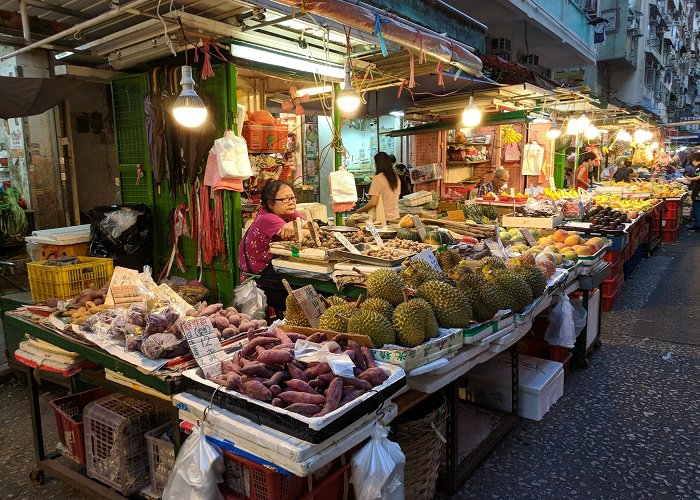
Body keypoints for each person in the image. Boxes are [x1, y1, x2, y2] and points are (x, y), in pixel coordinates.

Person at [238, 180, 309, 319]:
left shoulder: (290, 214)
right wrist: (300, 227)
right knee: (303, 295)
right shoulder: (267, 218)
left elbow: (311, 226)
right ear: (270, 204)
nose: (291, 202)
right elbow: (307, 232)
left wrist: (298, 224)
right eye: (285, 199)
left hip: (273, 269)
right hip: (261, 278)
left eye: (293, 197)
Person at [354, 152, 401, 220]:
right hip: (395, 217)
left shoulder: (377, 178)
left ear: (378, 164)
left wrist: (359, 210)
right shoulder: (396, 178)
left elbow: (373, 202)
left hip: (382, 218)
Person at [685, 151, 700, 231]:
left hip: (698, 192)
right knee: (697, 207)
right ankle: (697, 224)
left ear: (694, 160)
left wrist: (691, 179)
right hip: (697, 190)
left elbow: (699, 176)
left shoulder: (698, 167)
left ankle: (698, 226)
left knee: (697, 208)